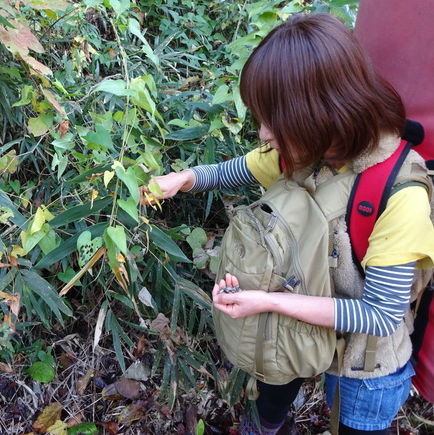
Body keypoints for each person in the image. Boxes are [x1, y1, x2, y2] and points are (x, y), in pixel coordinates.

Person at [140, 13, 434, 435]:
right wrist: (184, 179)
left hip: (364, 365)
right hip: (297, 336)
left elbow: (381, 315)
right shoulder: (305, 151)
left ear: (323, 114)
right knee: (269, 406)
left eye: (274, 120)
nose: (262, 133)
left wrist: (269, 301)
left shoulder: (398, 194)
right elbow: (234, 171)